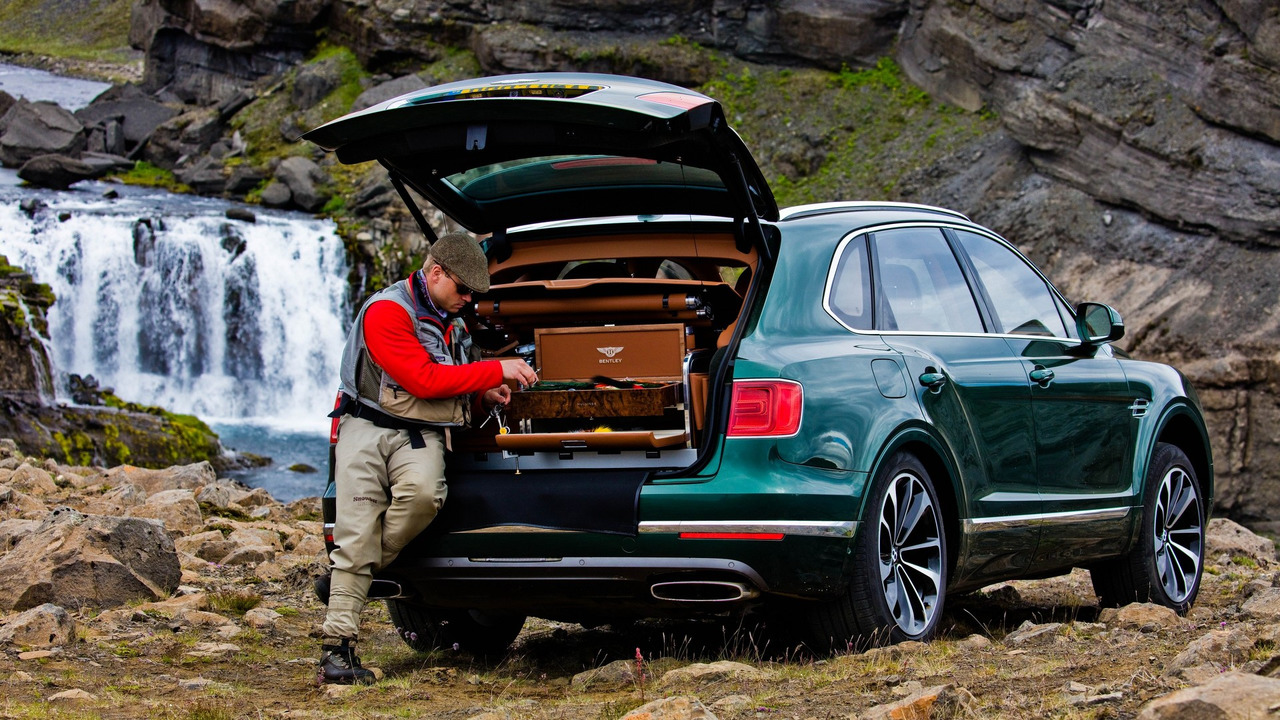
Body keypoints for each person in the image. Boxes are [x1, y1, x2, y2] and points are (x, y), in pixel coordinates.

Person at [317, 231, 538, 685]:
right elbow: (422, 380)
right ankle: (337, 650)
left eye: (473, 294)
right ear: (436, 272)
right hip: (367, 428)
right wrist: (495, 369)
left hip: (421, 434)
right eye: (463, 289)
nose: (468, 300)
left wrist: (481, 396)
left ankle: (346, 577)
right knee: (356, 530)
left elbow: (450, 385)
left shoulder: (452, 322)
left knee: (423, 498)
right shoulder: (386, 311)